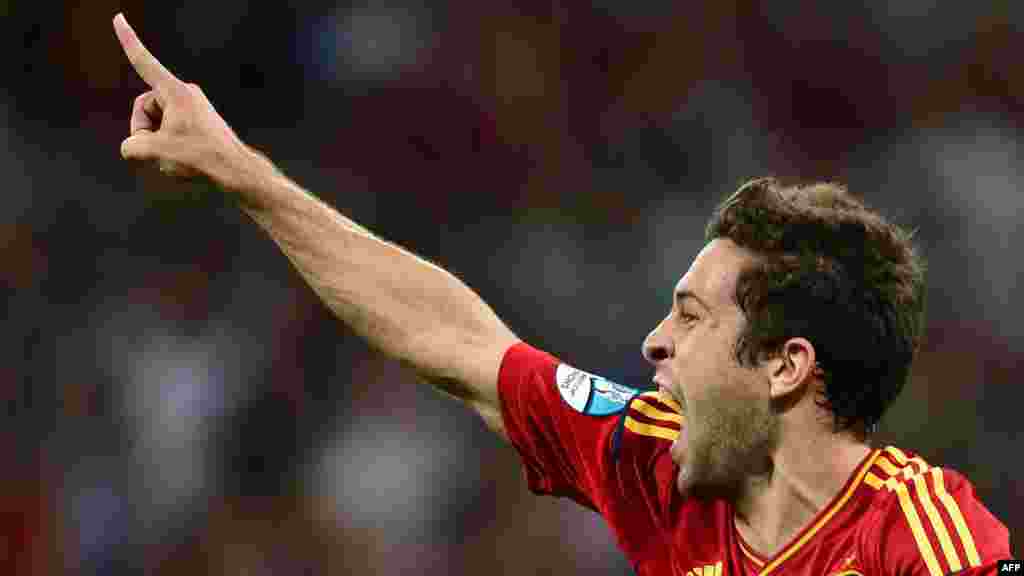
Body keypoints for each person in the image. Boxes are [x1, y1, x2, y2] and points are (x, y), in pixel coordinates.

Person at [111, 13, 1012, 575]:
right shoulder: (659, 465)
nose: (654, 343)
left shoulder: (921, 539)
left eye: (691, 317)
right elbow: (455, 342)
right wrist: (242, 173)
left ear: (786, 366)